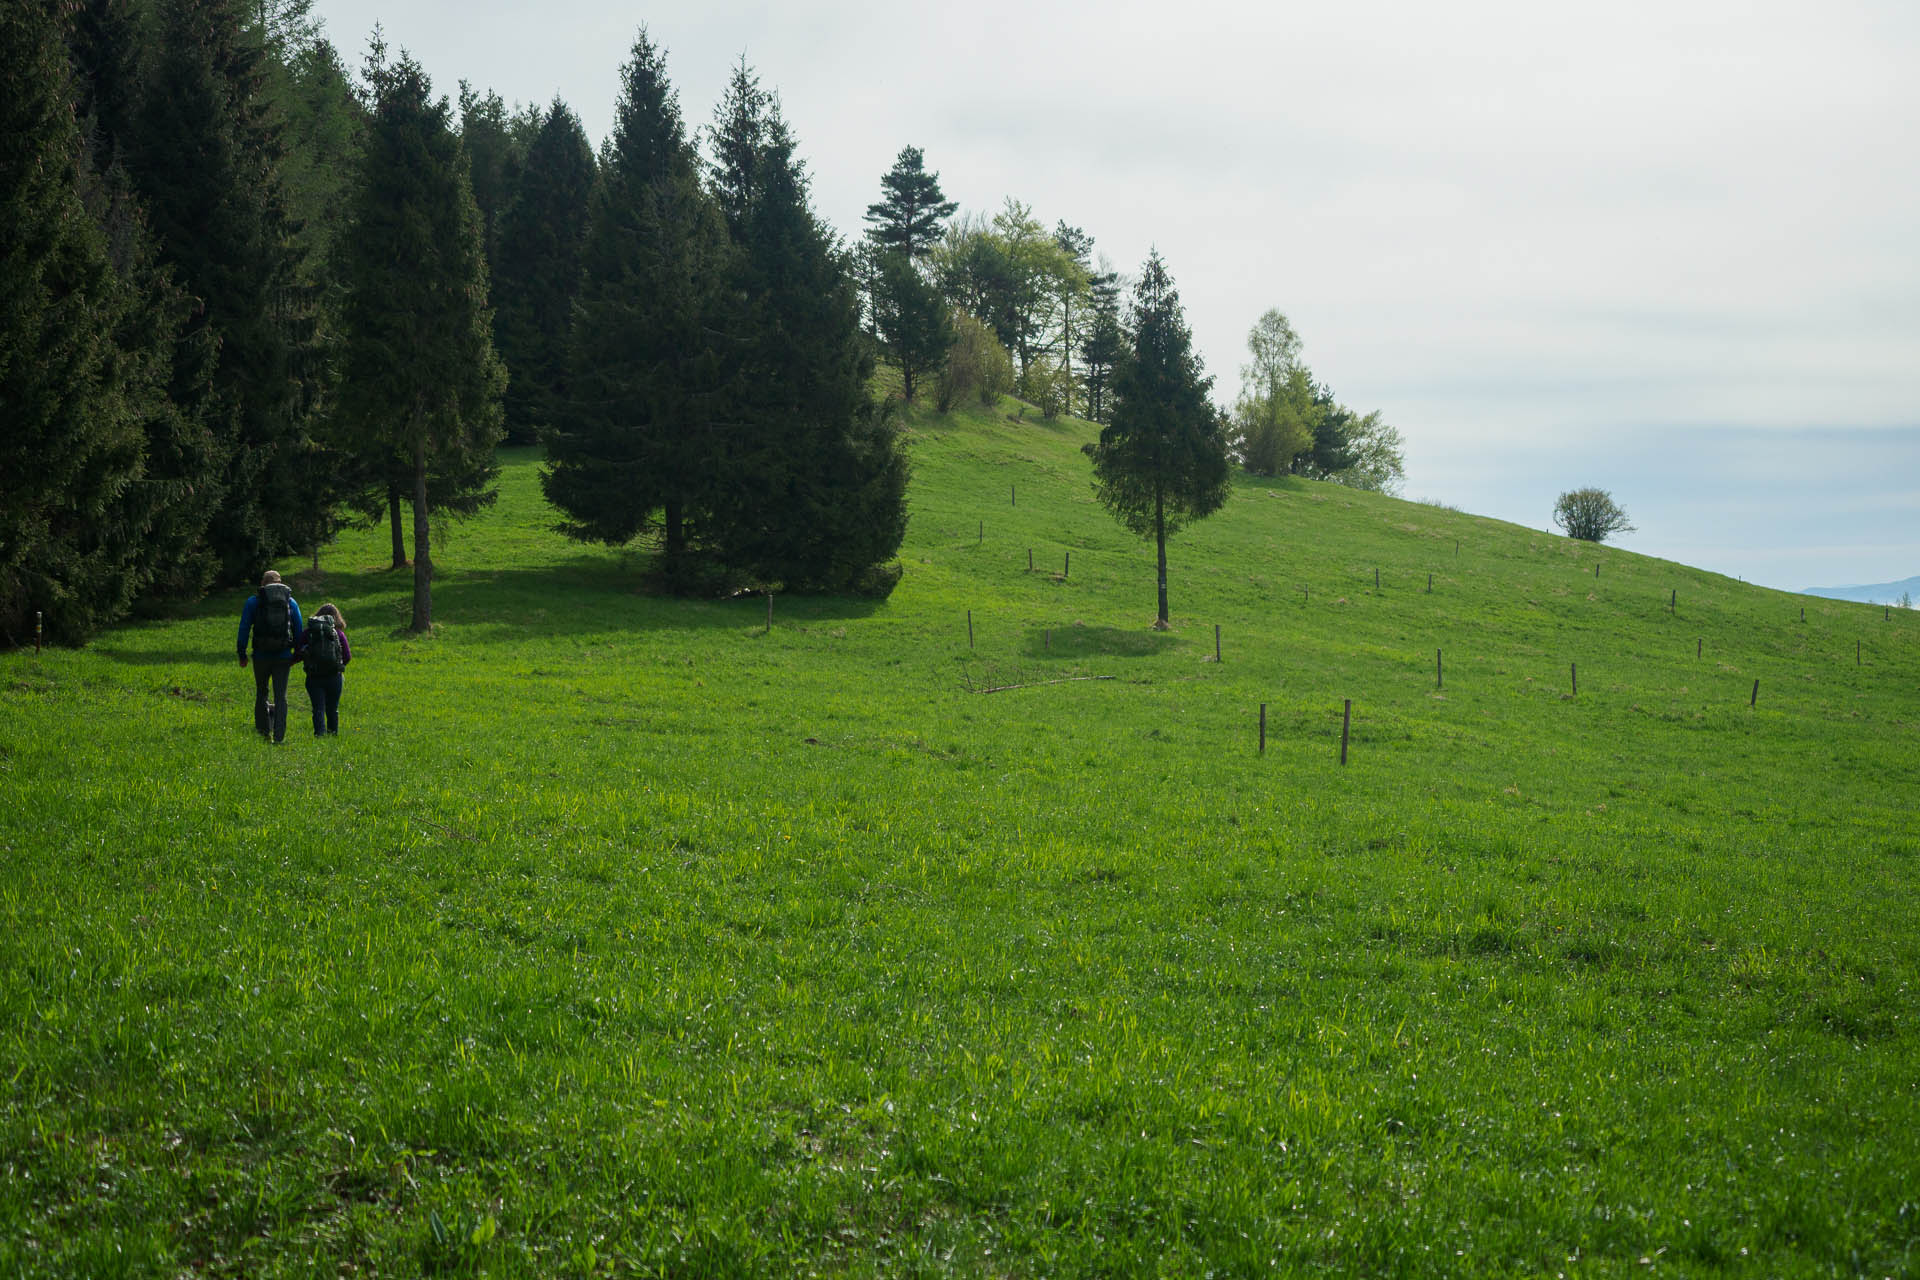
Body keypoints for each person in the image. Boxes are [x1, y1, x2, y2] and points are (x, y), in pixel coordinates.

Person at [236, 570, 302, 743]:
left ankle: (263, 733)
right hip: (283, 655)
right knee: (281, 696)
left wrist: (242, 653)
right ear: (280, 583)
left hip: (261, 656)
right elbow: (299, 629)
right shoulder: (290, 602)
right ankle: (279, 737)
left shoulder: (253, 602)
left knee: (262, 693)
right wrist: (296, 653)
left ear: (262, 583)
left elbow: (244, 628)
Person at [295, 602, 352, 736]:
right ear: (336, 617)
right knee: (332, 709)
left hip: (314, 677)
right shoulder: (338, 633)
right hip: (334, 677)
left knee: (318, 709)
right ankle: (333, 734)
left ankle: (320, 735)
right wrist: (336, 665)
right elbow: (347, 656)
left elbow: (298, 653)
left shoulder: (308, 633)